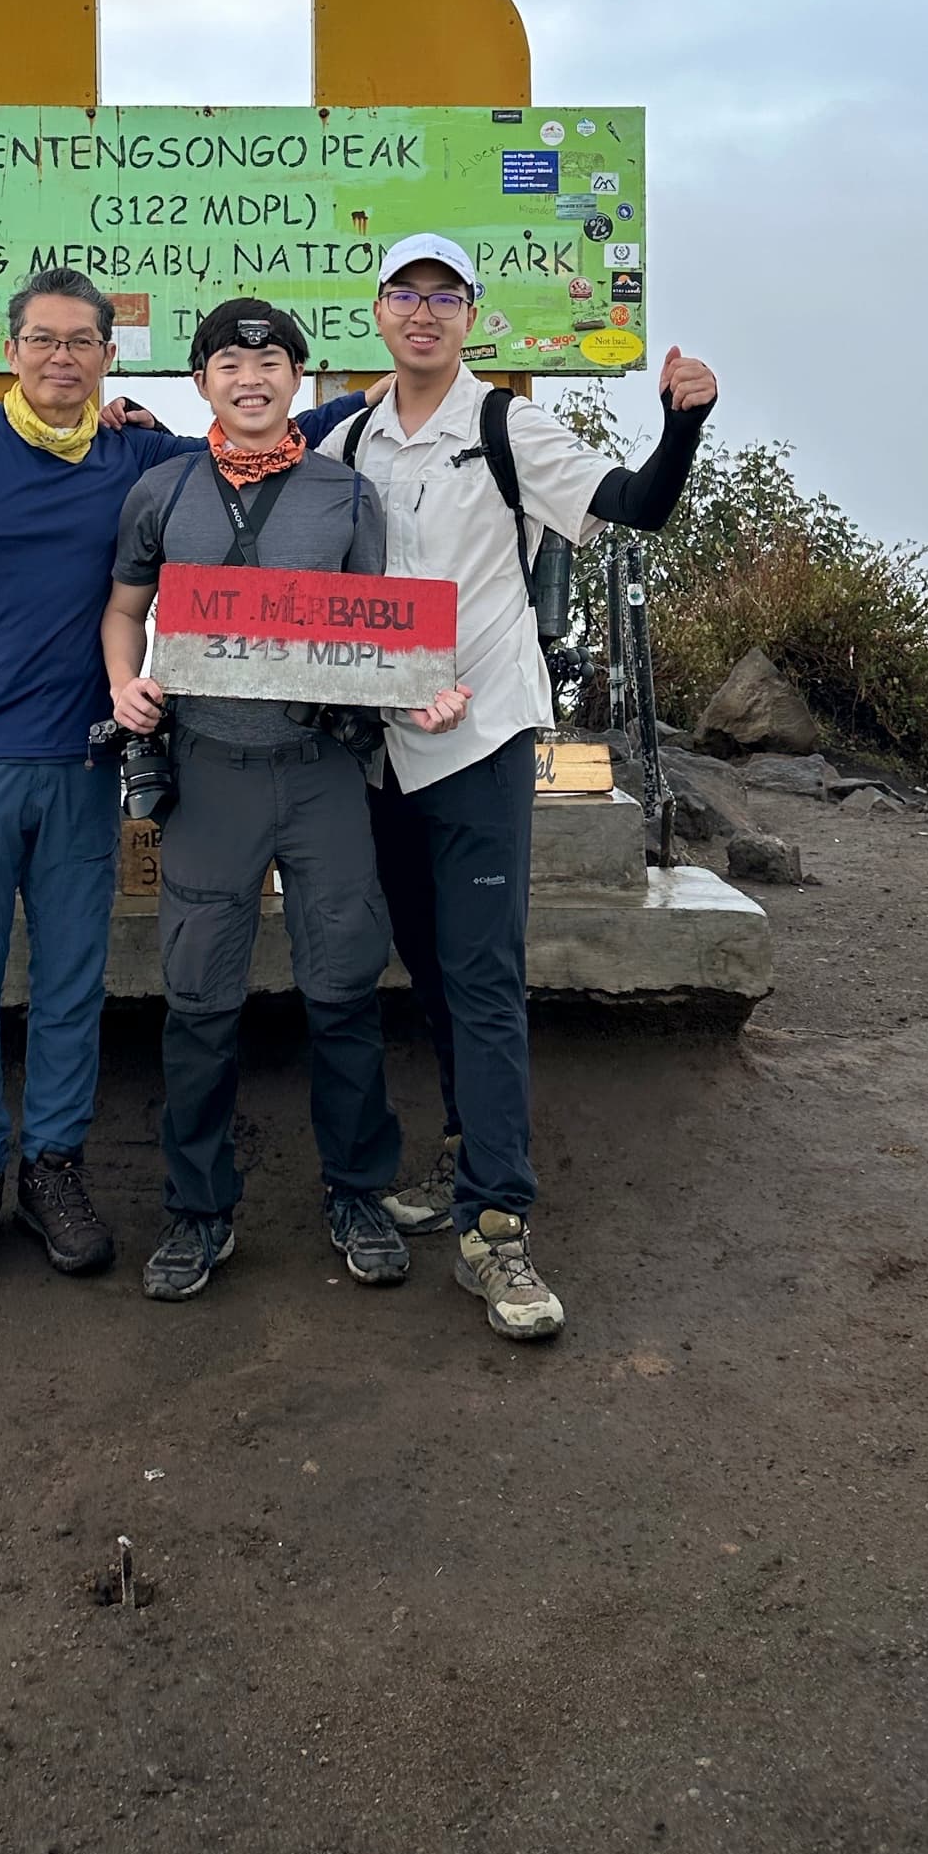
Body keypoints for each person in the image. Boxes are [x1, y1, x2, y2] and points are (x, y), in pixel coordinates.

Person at [0, 268, 373, 1287]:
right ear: (10, 351)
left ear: (109, 355)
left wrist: (389, 390)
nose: (61, 358)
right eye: (42, 340)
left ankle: (53, 1167)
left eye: (81, 342)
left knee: (67, 988)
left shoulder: (138, 452)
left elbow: (256, 431)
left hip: (86, 759)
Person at [329, 235, 718, 1343]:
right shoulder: (351, 432)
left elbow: (638, 502)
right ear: (380, 310)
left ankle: (499, 1225)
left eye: (443, 297)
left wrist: (682, 419)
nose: (422, 312)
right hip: (383, 749)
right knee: (433, 971)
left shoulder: (507, 425)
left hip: (484, 738)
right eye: (405, 293)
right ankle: (462, 1160)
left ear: (471, 315)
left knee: (485, 976)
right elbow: (241, 446)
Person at [101, 299, 470, 1305]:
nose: (252, 375)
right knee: (199, 999)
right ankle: (198, 1208)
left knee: (346, 990)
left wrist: (421, 684)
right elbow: (125, 608)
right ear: (203, 379)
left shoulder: (346, 495)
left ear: (300, 380)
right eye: (231, 359)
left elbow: (381, 631)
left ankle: (355, 1191)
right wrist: (123, 682)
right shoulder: (160, 488)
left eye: (272, 360)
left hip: (319, 771)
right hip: (209, 770)